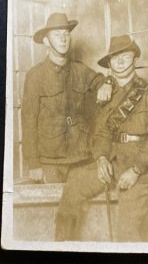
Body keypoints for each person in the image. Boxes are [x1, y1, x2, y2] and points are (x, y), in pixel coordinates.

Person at [57, 34, 148, 242]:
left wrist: (136, 169)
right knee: (73, 187)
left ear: (135, 60)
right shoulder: (106, 94)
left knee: (126, 229)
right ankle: (61, 249)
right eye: (115, 57)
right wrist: (101, 158)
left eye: (125, 56)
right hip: (113, 162)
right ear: (109, 63)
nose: (120, 61)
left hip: (145, 169)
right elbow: (101, 133)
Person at [21, 12, 113, 240]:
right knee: (56, 215)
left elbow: (101, 79)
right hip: (51, 163)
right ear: (46, 40)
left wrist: (106, 83)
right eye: (57, 34)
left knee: (82, 215)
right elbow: (28, 121)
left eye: (66, 33)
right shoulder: (35, 76)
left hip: (81, 160)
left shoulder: (81, 71)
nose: (63, 38)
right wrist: (33, 163)